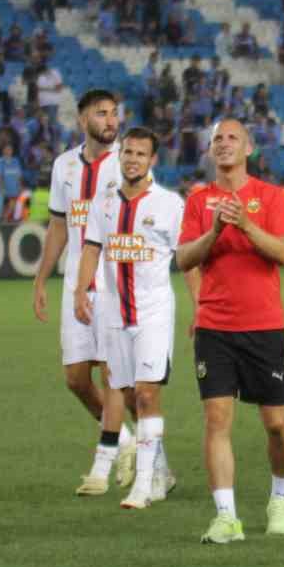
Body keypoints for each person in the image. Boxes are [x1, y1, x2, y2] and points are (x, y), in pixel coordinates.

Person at [175, 118, 284, 544]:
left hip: (263, 324)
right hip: (215, 325)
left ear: (248, 148)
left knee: (277, 424)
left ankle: (280, 497)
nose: (224, 144)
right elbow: (184, 258)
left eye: (232, 138)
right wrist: (215, 231)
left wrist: (245, 224)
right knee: (216, 419)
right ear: (210, 152)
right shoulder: (198, 201)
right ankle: (226, 515)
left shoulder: (271, 196)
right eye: (217, 140)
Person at [73, 127, 185, 509]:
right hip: (114, 312)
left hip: (153, 312)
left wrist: (201, 306)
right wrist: (79, 290)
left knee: (147, 392)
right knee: (126, 395)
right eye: (128, 153)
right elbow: (92, 248)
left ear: (153, 160)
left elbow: (186, 259)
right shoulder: (103, 204)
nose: (133, 159)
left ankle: (142, 484)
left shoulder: (169, 204)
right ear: (120, 156)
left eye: (141, 154)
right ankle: (161, 473)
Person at [33, 89, 136, 493]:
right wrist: (41, 278)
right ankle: (129, 443)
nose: (111, 121)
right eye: (102, 114)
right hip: (76, 285)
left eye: (114, 113)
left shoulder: (128, 162)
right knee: (76, 378)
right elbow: (59, 225)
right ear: (82, 120)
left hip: (115, 285)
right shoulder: (64, 167)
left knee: (119, 379)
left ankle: (121, 462)